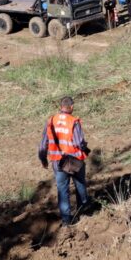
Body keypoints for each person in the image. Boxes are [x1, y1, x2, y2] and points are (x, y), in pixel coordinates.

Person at [38, 96, 90, 226]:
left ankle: (66, 220)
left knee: (62, 190)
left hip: (58, 162)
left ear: (60, 107)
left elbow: (43, 145)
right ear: (71, 107)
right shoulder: (74, 121)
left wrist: (43, 159)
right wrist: (85, 147)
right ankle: (84, 212)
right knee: (80, 185)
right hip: (75, 161)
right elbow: (79, 142)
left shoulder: (51, 121)